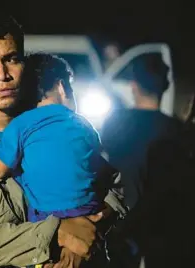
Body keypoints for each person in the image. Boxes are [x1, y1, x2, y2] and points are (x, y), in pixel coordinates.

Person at [0, 12, 126, 268]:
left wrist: (94, 223)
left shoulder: (53, 126)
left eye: (11, 59)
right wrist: (60, 232)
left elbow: (113, 183)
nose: (2, 74)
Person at [100, 54, 183, 268]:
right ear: (164, 86)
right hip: (163, 226)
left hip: (120, 222)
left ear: (134, 86)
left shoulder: (115, 123)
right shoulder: (175, 130)